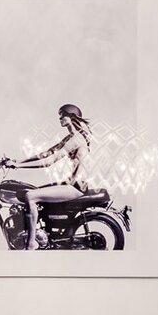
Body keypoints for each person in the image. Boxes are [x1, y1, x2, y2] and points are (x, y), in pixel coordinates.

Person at [13, 103, 95, 250]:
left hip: (76, 187)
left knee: (30, 196)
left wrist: (18, 167)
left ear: (71, 117)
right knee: (33, 191)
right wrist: (17, 161)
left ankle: (31, 244)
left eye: (62, 115)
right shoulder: (70, 138)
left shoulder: (76, 139)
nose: (60, 118)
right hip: (70, 184)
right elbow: (46, 153)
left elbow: (49, 161)